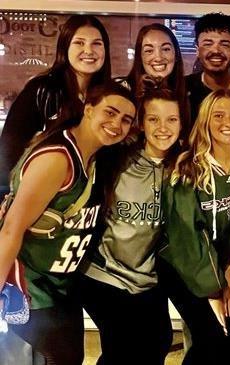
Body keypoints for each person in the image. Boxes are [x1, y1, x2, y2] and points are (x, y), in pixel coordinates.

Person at [0, 81, 135, 365]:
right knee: (62, 355)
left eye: (126, 120)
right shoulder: (57, 159)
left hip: (60, 283)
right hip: (31, 285)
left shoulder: (95, 158)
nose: (116, 124)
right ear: (88, 110)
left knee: (69, 355)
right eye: (109, 113)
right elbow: (12, 227)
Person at [78, 82, 183, 365]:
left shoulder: (182, 167)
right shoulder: (116, 158)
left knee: (159, 341)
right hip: (103, 274)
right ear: (141, 124)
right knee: (123, 350)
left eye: (171, 119)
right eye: (153, 119)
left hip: (146, 277)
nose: (163, 127)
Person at [158, 89, 230, 365]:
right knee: (211, 335)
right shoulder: (187, 168)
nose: (229, 122)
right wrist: (215, 289)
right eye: (219, 115)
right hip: (182, 266)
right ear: (205, 122)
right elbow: (187, 237)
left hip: (224, 265)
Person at [0, 15, 112, 196]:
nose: (89, 51)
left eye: (97, 44)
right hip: (41, 200)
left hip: (88, 205)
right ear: (65, 47)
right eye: (79, 43)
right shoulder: (41, 90)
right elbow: (9, 149)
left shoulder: (107, 97)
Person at [117, 23, 190, 133]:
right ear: (140, 57)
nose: (158, 57)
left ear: (176, 55)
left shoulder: (187, 92)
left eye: (166, 49)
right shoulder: (121, 91)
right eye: (149, 51)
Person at [186, 12, 230, 123]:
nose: (216, 50)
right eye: (208, 44)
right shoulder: (183, 88)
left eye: (225, 44)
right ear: (197, 50)